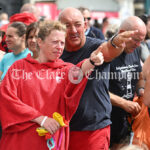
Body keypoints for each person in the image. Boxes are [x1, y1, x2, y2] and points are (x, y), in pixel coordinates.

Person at [0, 20, 105, 150]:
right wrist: (40, 119)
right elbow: (7, 99)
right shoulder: (18, 67)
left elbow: (80, 70)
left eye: (62, 43)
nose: (59, 47)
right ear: (40, 42)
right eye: (55, 42)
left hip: (51, 141)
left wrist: (92, 61)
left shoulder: (65, 69)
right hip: (20, 140)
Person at [58, 7, 139, 150]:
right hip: (61, 128)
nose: (73, 30)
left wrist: (116, 41)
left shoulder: (96, 46)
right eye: (67, 25)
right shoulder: (55, 51)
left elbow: (110, 49)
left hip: (94, 130)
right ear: (58, 27)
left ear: (85, 25)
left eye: (77, 24)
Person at [109, 16, 146, 150]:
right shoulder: (105, 52)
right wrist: (124, 103)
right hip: (106, 121)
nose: (138, 45)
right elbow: (96, 91)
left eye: (141, 41)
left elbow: (139, 75)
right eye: (136, 40)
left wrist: (141, 90)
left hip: (126, 122)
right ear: (121, 33)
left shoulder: (136, 49)